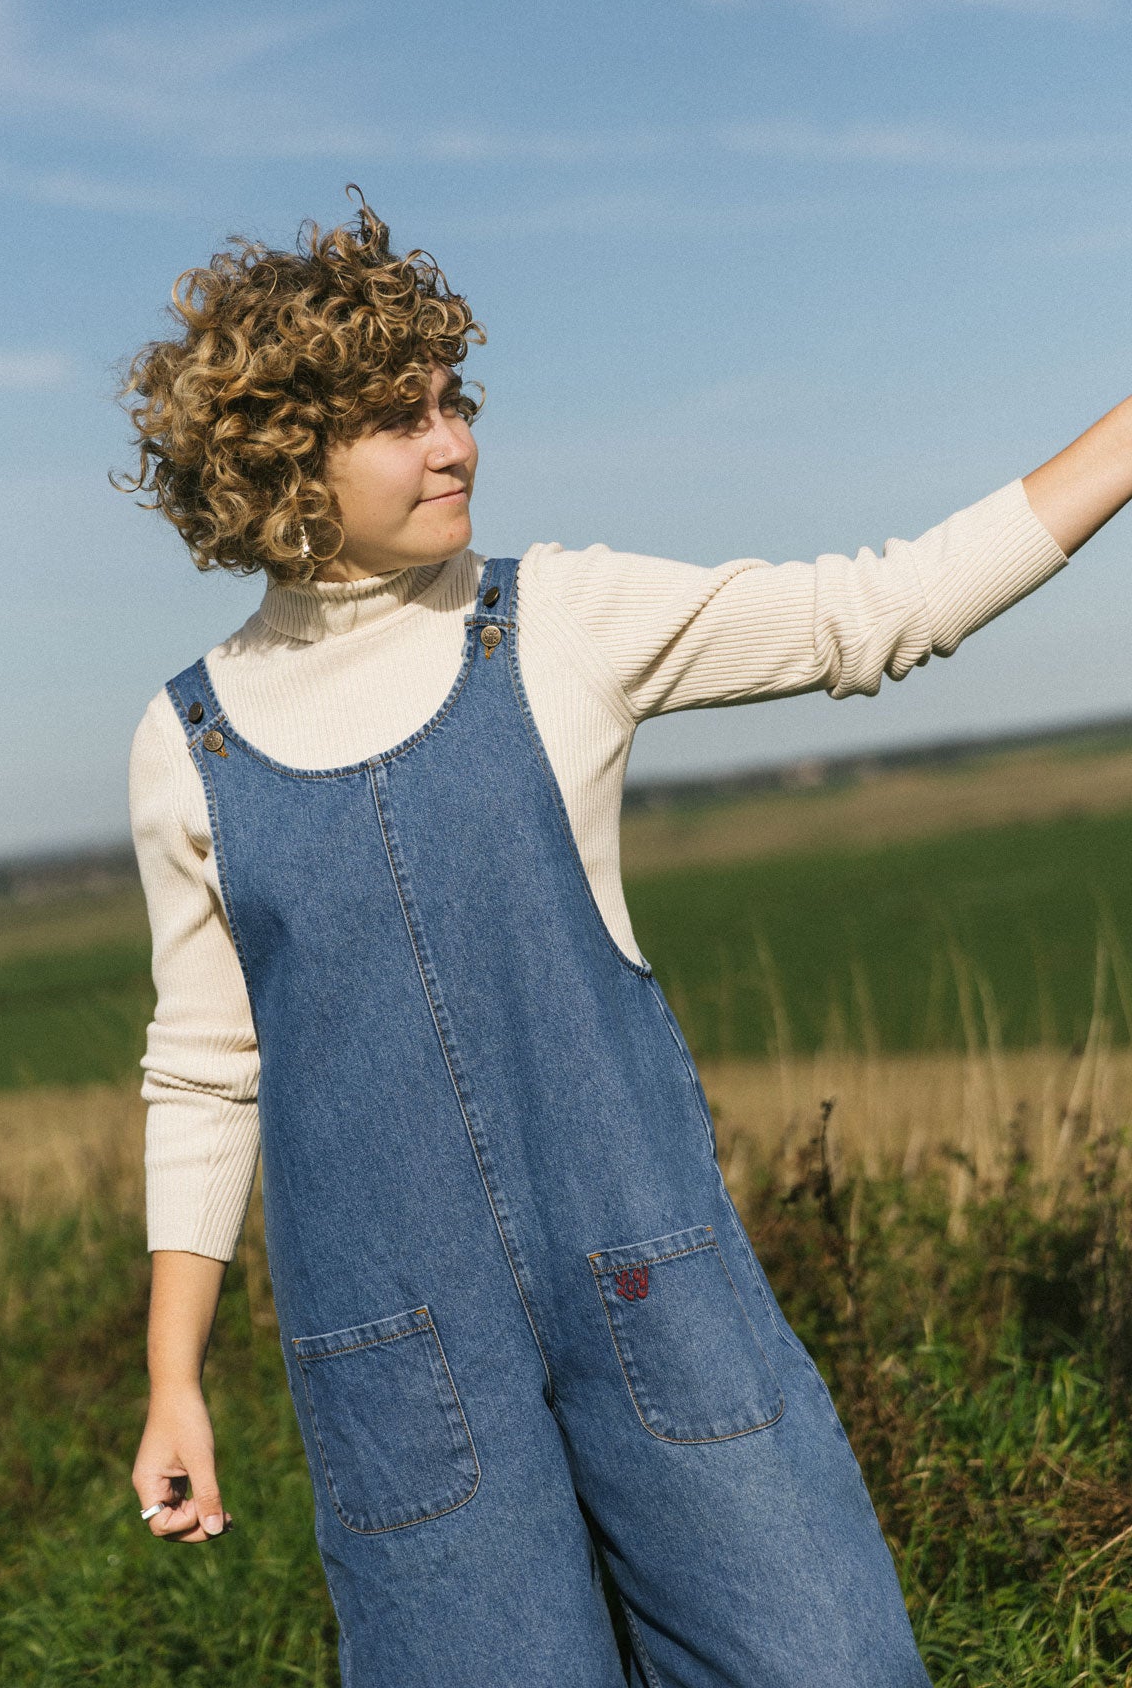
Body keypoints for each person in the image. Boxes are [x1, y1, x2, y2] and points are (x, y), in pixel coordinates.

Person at [120, 188, 1128, 1687]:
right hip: (397, 1365)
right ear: (281, 456)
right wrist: (172, 1375)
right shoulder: (186, 742)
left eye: (456, 399)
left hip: (654, 1297)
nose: (456, 440)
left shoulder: (562, 624)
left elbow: (886, 609)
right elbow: (206, 1069)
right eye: (402, 419)